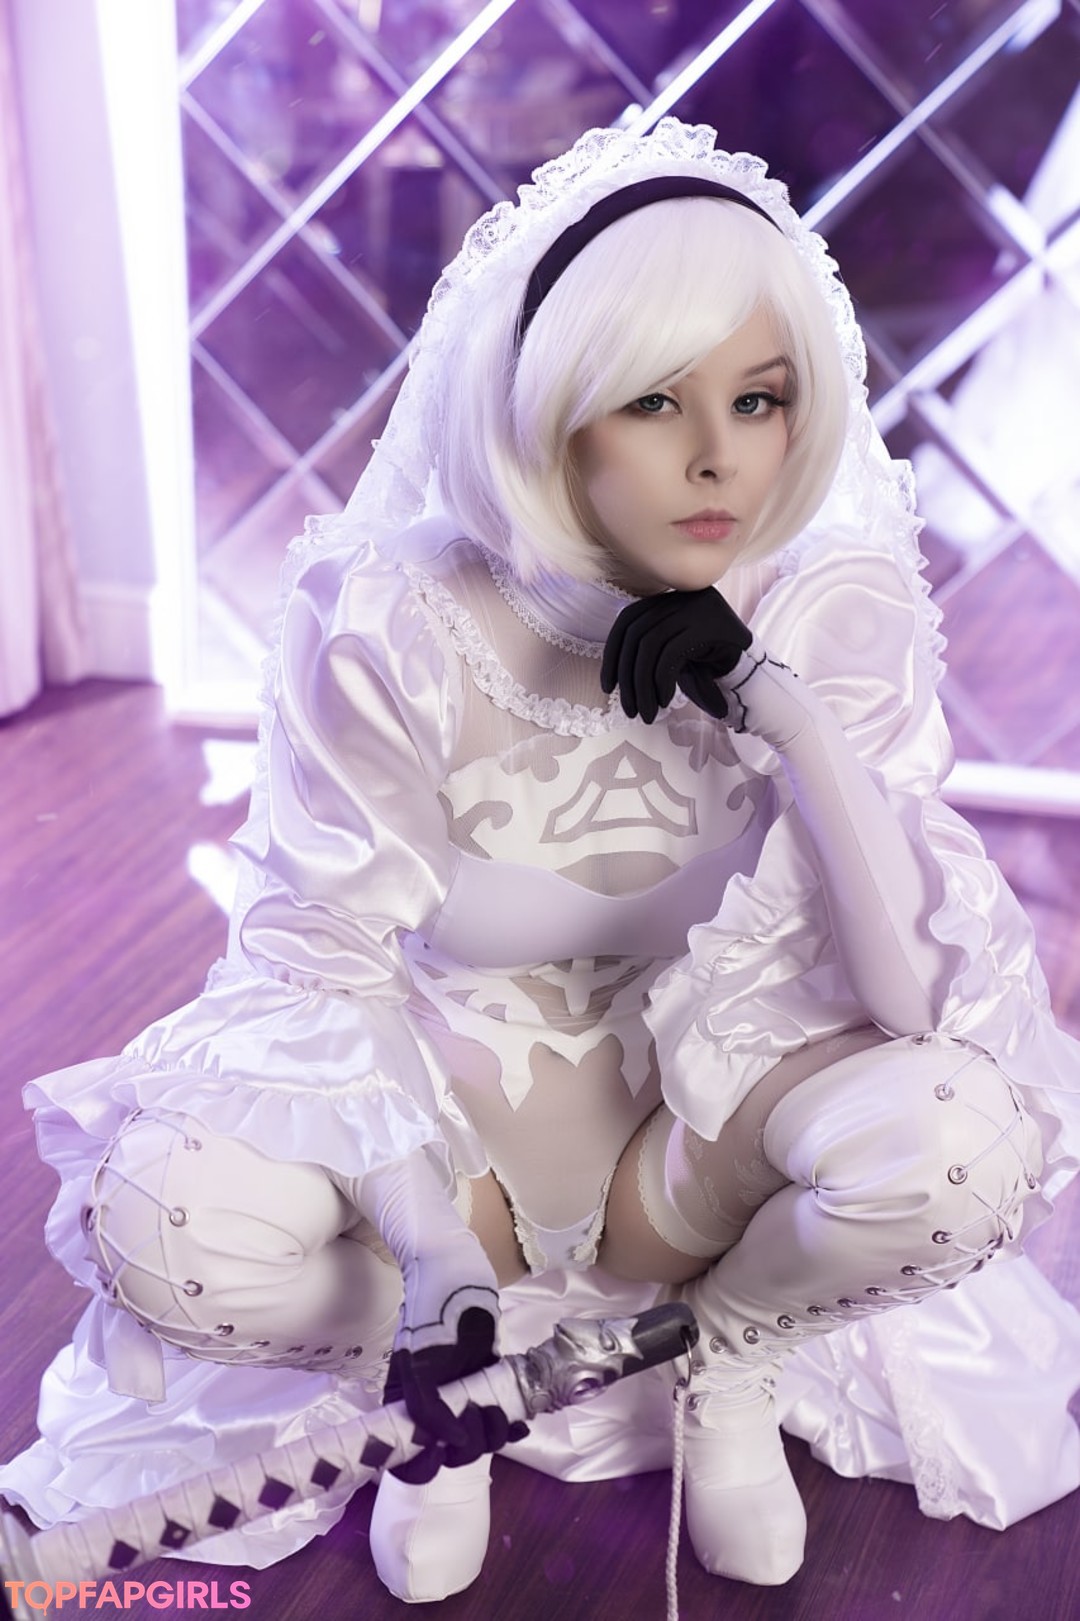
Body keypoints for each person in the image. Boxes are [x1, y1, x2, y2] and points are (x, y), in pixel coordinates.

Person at [2, 119, 1078, 1603]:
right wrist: (427, 1249)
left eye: (758, 399)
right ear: (553, 412)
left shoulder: (828, 601)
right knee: (165, 1215)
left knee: (962, 1146)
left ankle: (723, 1359)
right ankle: (438, 1385)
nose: (720, 456)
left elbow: (909, 999)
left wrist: (784, 713)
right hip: (450, 1155)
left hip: (700, 1155)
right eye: (654, 401)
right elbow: (318, 967)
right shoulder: (392, 615)